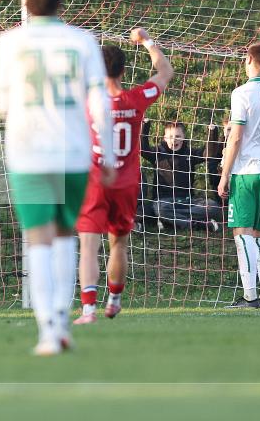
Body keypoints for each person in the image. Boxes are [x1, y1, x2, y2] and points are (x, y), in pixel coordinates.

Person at [0, 0, 117, 356]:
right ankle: (63, 320)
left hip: (28, 149)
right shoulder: (82, 42)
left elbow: (2, 107)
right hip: (72, 150)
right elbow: (100, 103)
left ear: (26, 2)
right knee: (65, 234)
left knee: (37, 238)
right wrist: (108, 154)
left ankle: (47, 329)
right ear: (62, 1)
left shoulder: (8, 43)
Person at [75, 28, 173, 325]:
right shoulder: (137, 98)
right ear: (124, 70)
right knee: (118, 244)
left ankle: (88, 310)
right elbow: (166, 71)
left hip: (95, 179)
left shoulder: (87, 101)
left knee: (89, 245)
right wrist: (146, 41)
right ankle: (114, 300)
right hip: (127, 182)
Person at [217, 42, 260, 309]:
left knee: (242, 232)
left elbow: (235, 138)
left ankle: (249, 297)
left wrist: (224, 175)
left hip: (247, 171)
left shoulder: (242, 93)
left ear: (248, 59)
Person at [141, 120, 223, 231]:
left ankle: (170, 221)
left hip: (187, 201)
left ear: (184, 137)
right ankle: (197, 225)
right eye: (170, 136)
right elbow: (142, 149)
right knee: (160, 209)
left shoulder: (189, 153)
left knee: (214, 208)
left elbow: (208, 154)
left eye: (178, 136)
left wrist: (212, 132)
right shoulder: (158, 153)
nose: (174, 139)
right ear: (164, 138)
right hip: (164, 201)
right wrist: (145, 126)